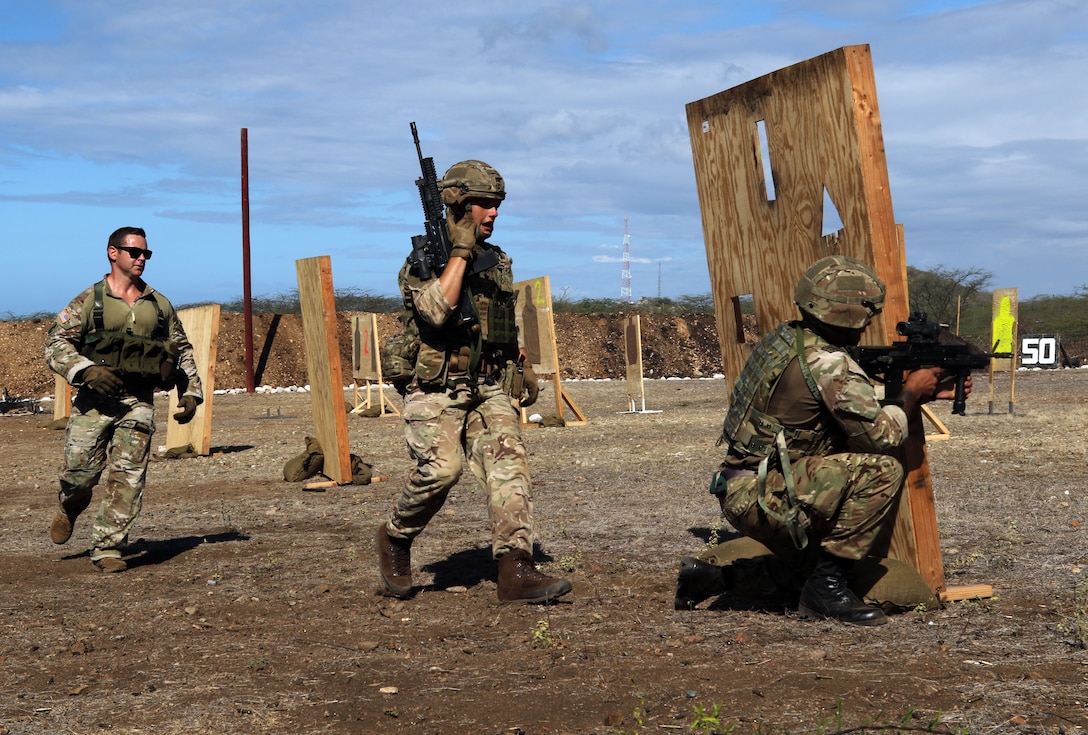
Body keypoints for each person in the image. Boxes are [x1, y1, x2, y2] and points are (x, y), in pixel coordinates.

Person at [675, 255, 967, 625]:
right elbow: (881, 436)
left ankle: (712, 578)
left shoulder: (786, 340)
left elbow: (835, 405)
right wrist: (910, 394)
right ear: (851, 314)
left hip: (745, 485)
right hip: (765, 495)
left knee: (814, 569)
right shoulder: (829, 362)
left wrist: (922, 392)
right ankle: (825, 592)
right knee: (881, 471)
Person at [376, 159, 572, 604]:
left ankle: (514, 569)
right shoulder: (422, 260)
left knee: (509, 466)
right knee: (442, 471)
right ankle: (395, 537)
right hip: (435, 387)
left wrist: (518, 359)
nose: (494, 213)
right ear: (458, 204)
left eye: (497, 205)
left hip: (487, 386)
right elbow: (433, 312)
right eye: (484, 204)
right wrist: (459, 254)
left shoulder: (498, 260)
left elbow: (496, 318)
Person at [46, 226, 203, 572]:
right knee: (79, 476)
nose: (142, 259)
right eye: (135, 252)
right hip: (93, 403)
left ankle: (107, 548)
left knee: (128, 477)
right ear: (113, 253)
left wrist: (191, 391)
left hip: (138, 402)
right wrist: (85, 370)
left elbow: (183, 350)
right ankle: (70, 507)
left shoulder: (159, 306)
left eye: (146, 253)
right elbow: (56, 343)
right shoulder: (90, 300)